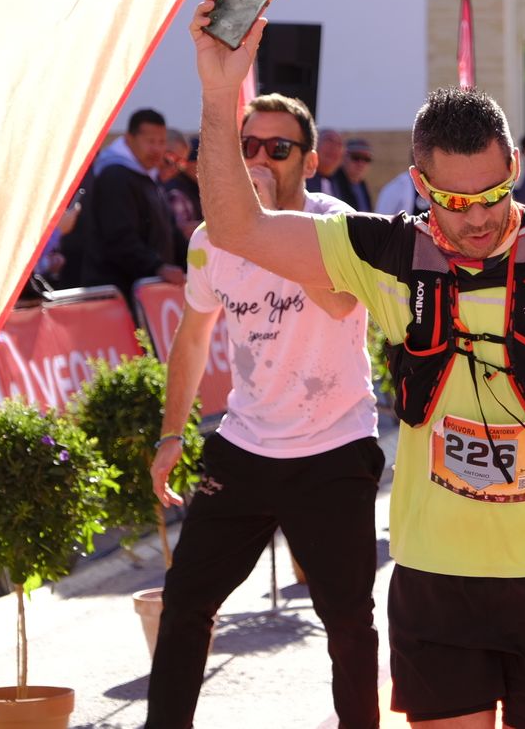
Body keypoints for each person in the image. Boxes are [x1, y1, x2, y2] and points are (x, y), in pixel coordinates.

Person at [188, 0, 525, 729]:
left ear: (516, 168)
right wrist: (218, 92)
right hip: (438, 577)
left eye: (494, 195)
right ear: (420, 182)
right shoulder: (384, 250)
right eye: (453, 201)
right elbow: (237, 228)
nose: (475, 218)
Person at [147, 93, 382, 728]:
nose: (258, 159)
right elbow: (193, 337)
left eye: (277, 150)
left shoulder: (337, 224)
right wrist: (173, 433)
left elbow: (338, 306)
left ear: (307, 163)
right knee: (186, 600)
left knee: (348, 622)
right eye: (247, 147)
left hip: (334, 446)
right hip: (246, 444)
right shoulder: (210, 238)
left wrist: (271, 226)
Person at [73, 107, 183, 304]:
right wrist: (157, 267)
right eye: (150, 142)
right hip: (118, 296)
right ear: (129, 139)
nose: (157, 149)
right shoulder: (115, 177)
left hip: (146, 293)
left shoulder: (150, 178)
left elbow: (169, 232)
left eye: (161, 142)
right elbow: (119, 237)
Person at [162, 130, 203, 242]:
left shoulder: (197, 189)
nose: (174, 167)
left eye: (180, 163)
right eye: (170, 159)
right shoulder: (175, 192)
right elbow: (181, 232)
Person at [332, 137, 375, 212]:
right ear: (343, 157)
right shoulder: (333, 183)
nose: (361, 163)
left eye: (367, 159)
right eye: (356, 157)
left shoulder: (362, 185)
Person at [306, 127, 345, 199]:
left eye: (339, 144)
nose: (334, 147)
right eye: (329, 140)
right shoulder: (301, 180)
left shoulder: (341, 185)